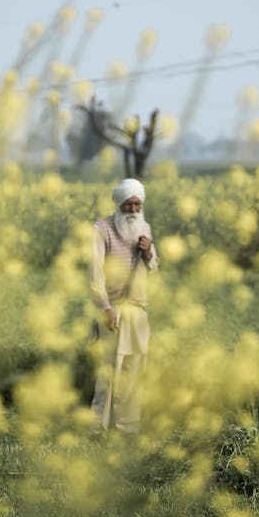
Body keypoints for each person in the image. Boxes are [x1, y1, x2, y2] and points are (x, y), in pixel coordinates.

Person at [89, 177, 158, 433]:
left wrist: (148, 252)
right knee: (109, 372)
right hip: (113, 309)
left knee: (134, 370)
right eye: (128, 205)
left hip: (139, 310)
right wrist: (105, 309)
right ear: (118, 204)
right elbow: (94, 275)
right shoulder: (101, 229)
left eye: (136, 204)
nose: (133, 210)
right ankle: (98, 430)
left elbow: (154, 266)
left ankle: (127, 427)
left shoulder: (145, 228)